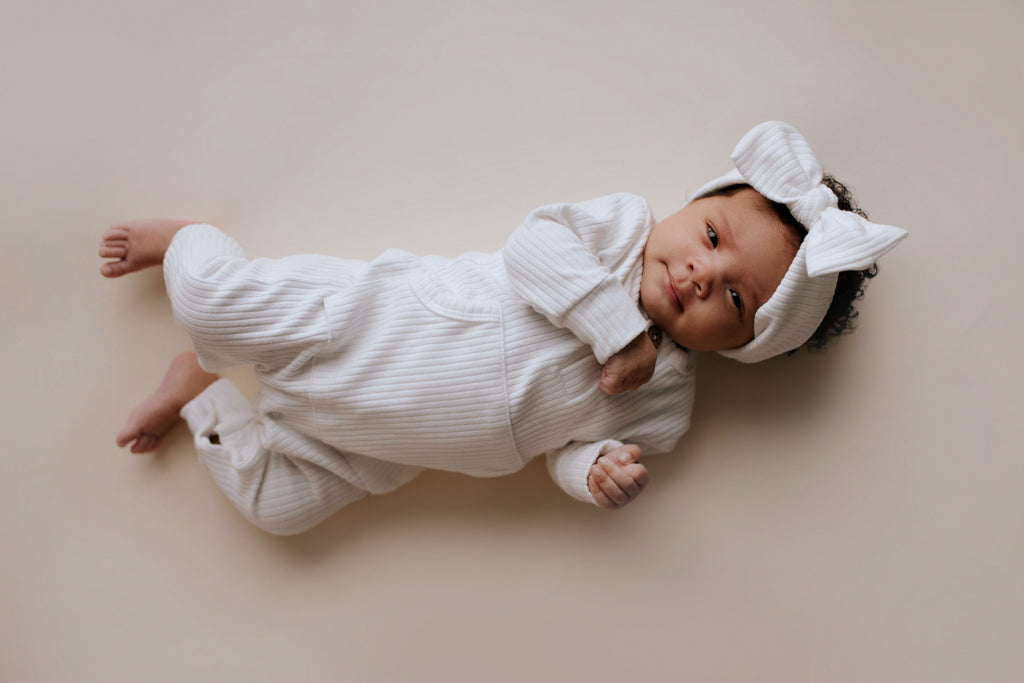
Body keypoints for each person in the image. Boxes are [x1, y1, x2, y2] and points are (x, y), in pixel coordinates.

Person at [98, 121, 907, 535]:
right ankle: (194, 242)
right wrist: (616, 331)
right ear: (693, 206)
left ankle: (197, 392)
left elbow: (564, 453)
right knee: (210, 302)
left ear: (745, 346)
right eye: (712, 234)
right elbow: (531, 245)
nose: (702, 272)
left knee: (278, 507)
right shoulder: (620, 231)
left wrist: (593, 472)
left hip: (377, 445)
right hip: (365, 324)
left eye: (733, 298)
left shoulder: (666, 405)